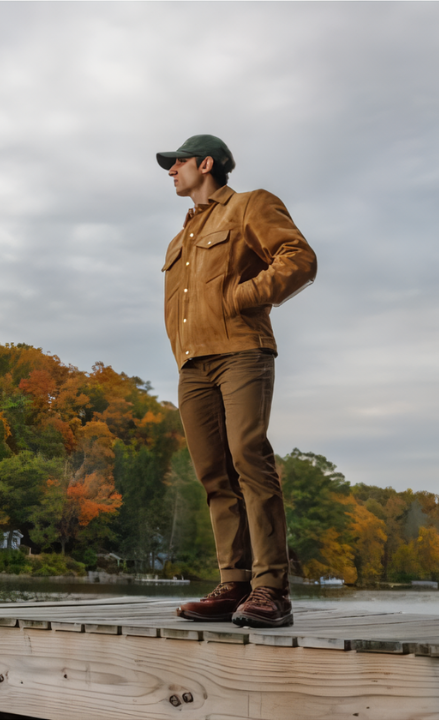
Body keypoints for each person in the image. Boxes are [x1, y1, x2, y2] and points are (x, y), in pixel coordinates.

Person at [158, 134, 316, 628]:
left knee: (249, 457)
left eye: (177, 163)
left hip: (241, 353)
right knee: (213, 475)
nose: (171, 171)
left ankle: (272, 589)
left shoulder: (250, 206)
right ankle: (234, 584)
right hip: (192, 366)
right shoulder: (179, 239)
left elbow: (298, 257)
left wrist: (243, 297)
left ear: (206, 163)